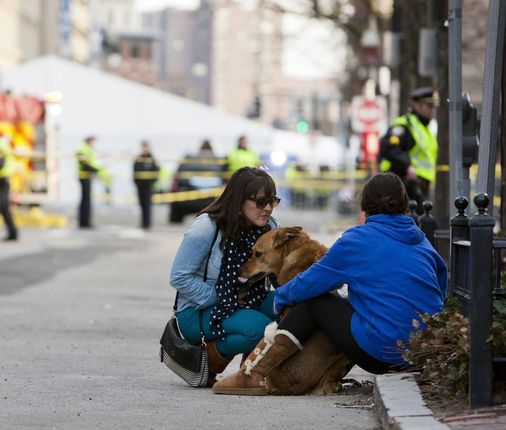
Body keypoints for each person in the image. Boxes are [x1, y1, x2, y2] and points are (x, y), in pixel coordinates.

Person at [212, 172, 447, 395]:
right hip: (423, 352)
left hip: (382, 352)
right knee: (355, 305)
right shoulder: (423, 243)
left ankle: (254, 373)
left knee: (314, 300)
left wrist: (281, 299)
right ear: (405, 205)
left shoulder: (357, 240)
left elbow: (311, 282)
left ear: (364, 207)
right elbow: (441, 286)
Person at [169, 167, 281, 385]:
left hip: (248, 299)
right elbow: (179, 277)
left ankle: (249, 369)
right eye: (259, 202)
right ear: (239, 200)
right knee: (260, 329)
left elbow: (278, 274)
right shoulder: (207, 227)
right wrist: (221, 296)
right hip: (198, 309)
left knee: (289, 313)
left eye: (272, 201)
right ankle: (209, 361)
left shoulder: (270, 228)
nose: (267, 208)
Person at [379, 87, 439, 213]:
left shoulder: (426, 129)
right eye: (429, 106)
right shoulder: (404, 125)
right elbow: (389, 147)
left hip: (422, 185)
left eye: (434, 106)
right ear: (416, 105)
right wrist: (407, 166)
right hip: (406, 184)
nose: (432, 110)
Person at [76, 136, 104, 229]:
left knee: (87, 200)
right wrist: (94, 170)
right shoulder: (83, 149)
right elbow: (84, 163)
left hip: (88, 176)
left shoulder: (88, 149)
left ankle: (85, 221)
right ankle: (84, 222)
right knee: (85, 200)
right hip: (84, 176)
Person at [132, 140, 160, 230]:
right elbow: (135, 171)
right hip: (140, 185)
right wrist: (136, 183)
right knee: (142, 204)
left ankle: (147, 224)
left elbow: (157, 171)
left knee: (147, 205)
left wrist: (152, 182)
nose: (145, 149)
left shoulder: (152, 159)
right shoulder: (139, 158)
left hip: (148, 185)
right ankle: (143, 223)